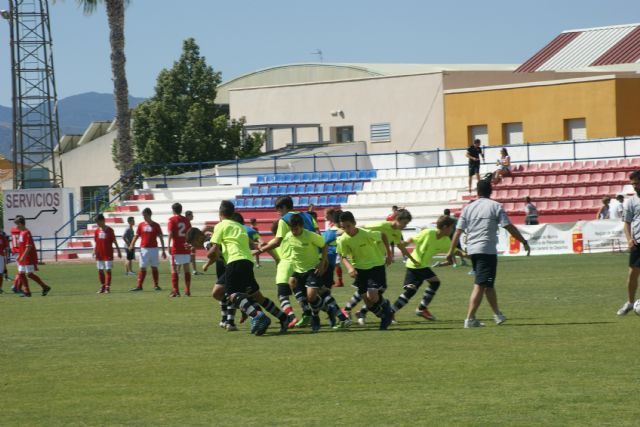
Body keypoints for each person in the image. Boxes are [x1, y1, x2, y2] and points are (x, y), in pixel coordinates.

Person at [446, 180, 530, 328]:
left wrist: (450, 251)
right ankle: (470, 319)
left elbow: (458, 231)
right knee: (480, 284)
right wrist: (523, 241)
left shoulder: (468, 208)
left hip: (473, 250)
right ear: (491, 191)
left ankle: (497, 314)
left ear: (477, 192)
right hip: (487, 250)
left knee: (487, 284)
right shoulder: (495, 206)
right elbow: (508, 226)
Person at [207, 200, 289, 335]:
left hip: (234, 261)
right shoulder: (240, 227)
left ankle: (256, 315)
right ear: (233, 213)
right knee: (257, 296)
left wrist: (207, 252)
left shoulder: (220, 226)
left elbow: (214, 251)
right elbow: (252, 244)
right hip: (248, 261)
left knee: (231, 294)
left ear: (220, 214)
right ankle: (284, 318)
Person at [255, 196, 318, 327]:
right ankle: (326, 314)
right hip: (310, 259)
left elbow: (277, 241)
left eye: (278, 210)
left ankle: (291, 317)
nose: (278, 213)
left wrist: (260, 250)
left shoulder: (284, 220)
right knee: (311, 290)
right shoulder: (307, 216)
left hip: (290, 260)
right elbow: (317, 234)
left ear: (284, 207)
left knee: (282, 293)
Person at [283, 214, 351, 331]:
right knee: (293, 282)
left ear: (302, 226)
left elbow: (324, 245)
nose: (294, 231)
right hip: (299, 270)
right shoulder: (288, 236)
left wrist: (322, 263)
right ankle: (310, 312)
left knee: (312, 295)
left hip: (312, 269)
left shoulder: (310, 236)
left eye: (296, 229)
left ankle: (318, 316)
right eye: (292, 229)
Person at [345, 209, 413, 324]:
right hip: (366, 261)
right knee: (371, 289)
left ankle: (360, 311)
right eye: (404, 223)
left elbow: (400, 247)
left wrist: (412, 259)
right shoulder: (382, 225)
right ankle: (349, 309)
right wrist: (346, 231)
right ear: (397, 219)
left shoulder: (396, 232)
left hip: (377, 262)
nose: (405, 226)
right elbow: (362, 227)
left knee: (374, 290)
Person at [391, 215, 456, 321]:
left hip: (422, 266)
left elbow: (454, 251)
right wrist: (406, 243)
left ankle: (394, 311)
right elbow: (413, 238)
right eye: (451, 227)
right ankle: (395, 311)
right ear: (445, 227)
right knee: (419, 288)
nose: (452, 230)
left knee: (418, 289)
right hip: (415, 265)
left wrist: (466, 255)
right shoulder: (428, 233)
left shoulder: (445, 240)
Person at [337, 211, 394, 330]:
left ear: (354, 223)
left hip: (375, 266)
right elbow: (343, 256)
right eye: (343, 227)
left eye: (348, 226)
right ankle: (385, 314)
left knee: (372, 296)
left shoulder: (366, 234)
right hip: (359, 269)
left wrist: (389, 255)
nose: (346, 229)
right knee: (368, 303)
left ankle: (386, 311)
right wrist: (350, 267)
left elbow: (383, 235)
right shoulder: (343, 240)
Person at [617, 171, 640, 316]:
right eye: (632, 184)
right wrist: (629, 239)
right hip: (638, 243)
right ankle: (630, 303)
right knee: (632, 274)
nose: (634, 186)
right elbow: (626, 224)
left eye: (636, 183)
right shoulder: (631, 202)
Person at [128, 207, 166, 291]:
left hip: (154, 249)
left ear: (149, 215)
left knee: (154, 267)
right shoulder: (141, 225)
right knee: (142, 267)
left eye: (145, 215)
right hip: (144, 249)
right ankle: (139, 286)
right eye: (143, 215)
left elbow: (161, 238)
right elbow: (136, 236)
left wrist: (163, 250)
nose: (143, 217)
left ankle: (156, 285)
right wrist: (131, 244)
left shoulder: (156, 225)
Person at [13, 215, 51, 297]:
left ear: (20, 223)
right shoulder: (21, 233)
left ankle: (45, 287)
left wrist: (23, 256)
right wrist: (20, 256)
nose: (16, 226)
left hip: (28, 257)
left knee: (29, 274)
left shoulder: (27, 233)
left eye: (17, 224)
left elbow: (29, 246)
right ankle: (27, 291)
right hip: (23, 257)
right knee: (21, 273)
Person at [167, 203, 192, 297]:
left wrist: (168, 245)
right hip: (185, 247)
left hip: (176, 248)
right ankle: (187, 290)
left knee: (173, 269)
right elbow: (190, 233)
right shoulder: (186, 220)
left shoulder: (171, 220)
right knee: (187, 269)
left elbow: (170, 233)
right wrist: (190, 244)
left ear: (173, 210)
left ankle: (176, 291)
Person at [93, 214, 122, 294]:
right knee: (100, 270)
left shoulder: (110, 230)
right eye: (96, 222)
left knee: (108, 270)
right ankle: (102, 286)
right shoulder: (97, 231)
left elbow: (114, 241)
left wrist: (118, 251)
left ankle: (107, 287)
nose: (97, 224)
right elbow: (96, 242)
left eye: (98, 222)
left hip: (108, 253)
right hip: (99, 253)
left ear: (103, 220)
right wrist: (94, 251)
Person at [324, 208, 344, 287]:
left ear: (331, 215)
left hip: (336, 247)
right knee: (334, 264)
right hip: (331, 247)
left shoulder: (337, 225)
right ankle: (333, 280)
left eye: (326, 214)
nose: (325, 216)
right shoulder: (330, 224)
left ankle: (339, 281)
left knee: (336, 264)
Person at [185, 210, 202, 275]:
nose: (193, 216)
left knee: (192, 255)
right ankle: (194, 270)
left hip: (187, 242)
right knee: (190, 255)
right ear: (188, 216)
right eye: (191, 215)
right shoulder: (187, 223)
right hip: (187, 242)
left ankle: (194, 270)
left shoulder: (186, 222)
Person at [0, 228, 8, 293]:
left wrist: (5, 257)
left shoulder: (2, 237)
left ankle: (0, 288)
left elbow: (6, 247)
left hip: (1, 256)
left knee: (0, 273)